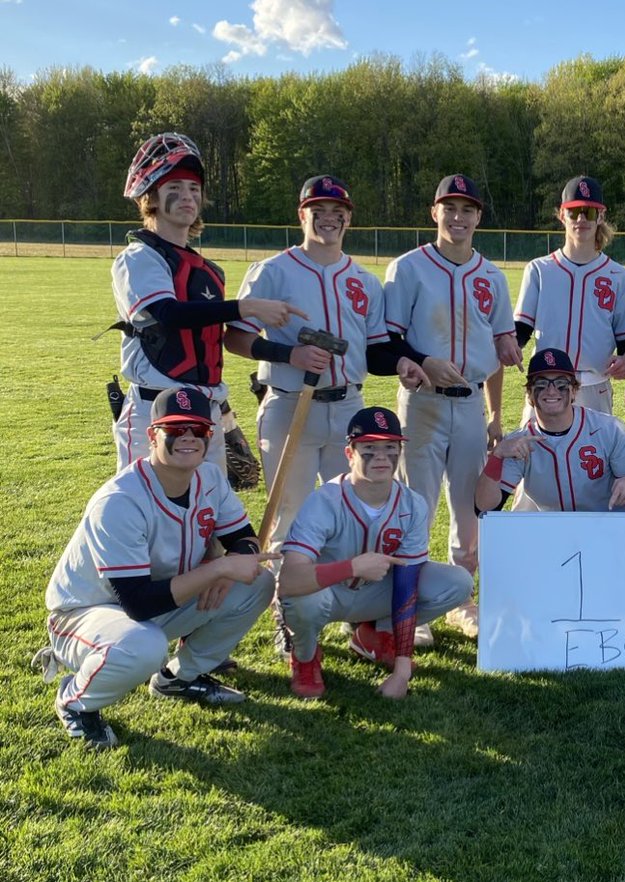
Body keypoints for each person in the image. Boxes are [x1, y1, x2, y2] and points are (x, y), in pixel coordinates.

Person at [38, 386, 278, 750]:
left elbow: (244, 539)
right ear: (152, 436)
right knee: (143, 644)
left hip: (156, 599)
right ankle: (75, 700)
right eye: (175, 429)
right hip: (85, 613)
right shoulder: (120, 501)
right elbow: (139, 604)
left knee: (256, 583)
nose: (187, 437)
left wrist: (227, 565)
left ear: (208, 436)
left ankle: (178, 679)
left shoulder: (210, 479)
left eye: (197, 429)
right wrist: (218, 569)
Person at [382, 173, 522, 639]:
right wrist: (416, 363)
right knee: (415, 503)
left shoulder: (492, 276)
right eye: (450, 207)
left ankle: (461, 599)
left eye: (467, 209)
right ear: (434, 212)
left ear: (479, 216)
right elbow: (389, 340)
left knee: (468, 508)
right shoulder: (408, 268)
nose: (458, 217)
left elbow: (501, 346)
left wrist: (497, 412)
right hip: (421, 402)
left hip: (470, 406)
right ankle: (413, 602)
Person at [111, 132, 302, 472]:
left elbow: (211, 345)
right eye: (174, 188)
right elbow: (167, 315)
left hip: (205, 408)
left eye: (193, 189)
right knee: (147, 514)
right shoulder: (139, 257)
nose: (187, 196)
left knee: (204, 516)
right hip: (155, 410)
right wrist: (247, 307)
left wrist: (224, 412)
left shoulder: (206, 271)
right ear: (151, 197)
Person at [226, 174, 397, 548]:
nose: (329, 217)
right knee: (289, 515)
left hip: (349, 405)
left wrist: (408, 364)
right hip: (289, 404)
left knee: (353, 510)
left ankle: (345, 598)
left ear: (348, 218)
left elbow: (378, 349)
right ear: (302, 216)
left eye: (338, 210)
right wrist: (289, 354)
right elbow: (235, 338)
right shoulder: (271, 271)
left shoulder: (365, 281)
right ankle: (285, 598)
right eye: (318, 209)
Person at [277, 407, 473, 699]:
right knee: (303, 602)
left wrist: (401, 673)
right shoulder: (324, 500)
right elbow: (289, 581)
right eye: (369, 448)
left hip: (375, 593)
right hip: (326, 593)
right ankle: (305, 657)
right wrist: (352, 567)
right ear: (349, 453)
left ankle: (374, 634)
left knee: (457, 582)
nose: (381, 456)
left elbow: (407, 587)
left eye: (390, 448)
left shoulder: (412, 504)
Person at [513, 176, 625, 415]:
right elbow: (521, 329)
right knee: (535, 451)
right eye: (574, 212)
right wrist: (510, 345)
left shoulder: (619, 276)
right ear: (562, 216)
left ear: (600, 216)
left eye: (589, 212)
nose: (581, 219)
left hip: (595, 385)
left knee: (595, 451)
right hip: (546, 384)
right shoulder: (540, 269)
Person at [475, 348, 625, 513]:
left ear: (574, 391)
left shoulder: (608, 430)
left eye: (560, 384)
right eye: (541, 384)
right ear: (529, 394)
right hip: (555, 534)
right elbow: (484, 508)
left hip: (607, 529)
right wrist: (496, 456)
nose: (551, 391)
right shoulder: (520, 443)